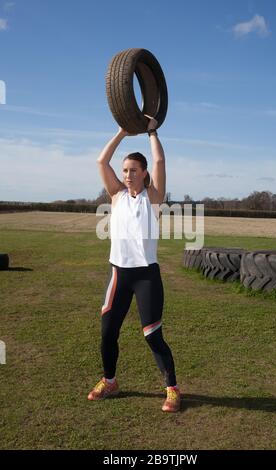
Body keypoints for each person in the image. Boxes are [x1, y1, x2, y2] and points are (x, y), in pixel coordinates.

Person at [88, 116, 180, 412]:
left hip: (146, 277)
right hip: (119, 273)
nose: (127, 175)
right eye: (125, 170)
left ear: (143, 174)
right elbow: (102, 162)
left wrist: (152, 131)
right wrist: (121, 132)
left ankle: (172, 389)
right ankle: (110, 381)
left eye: (132, 170)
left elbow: (161, 162)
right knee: (107, 332)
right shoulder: (116, 196)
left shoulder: (153, 200)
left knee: (152, 335)